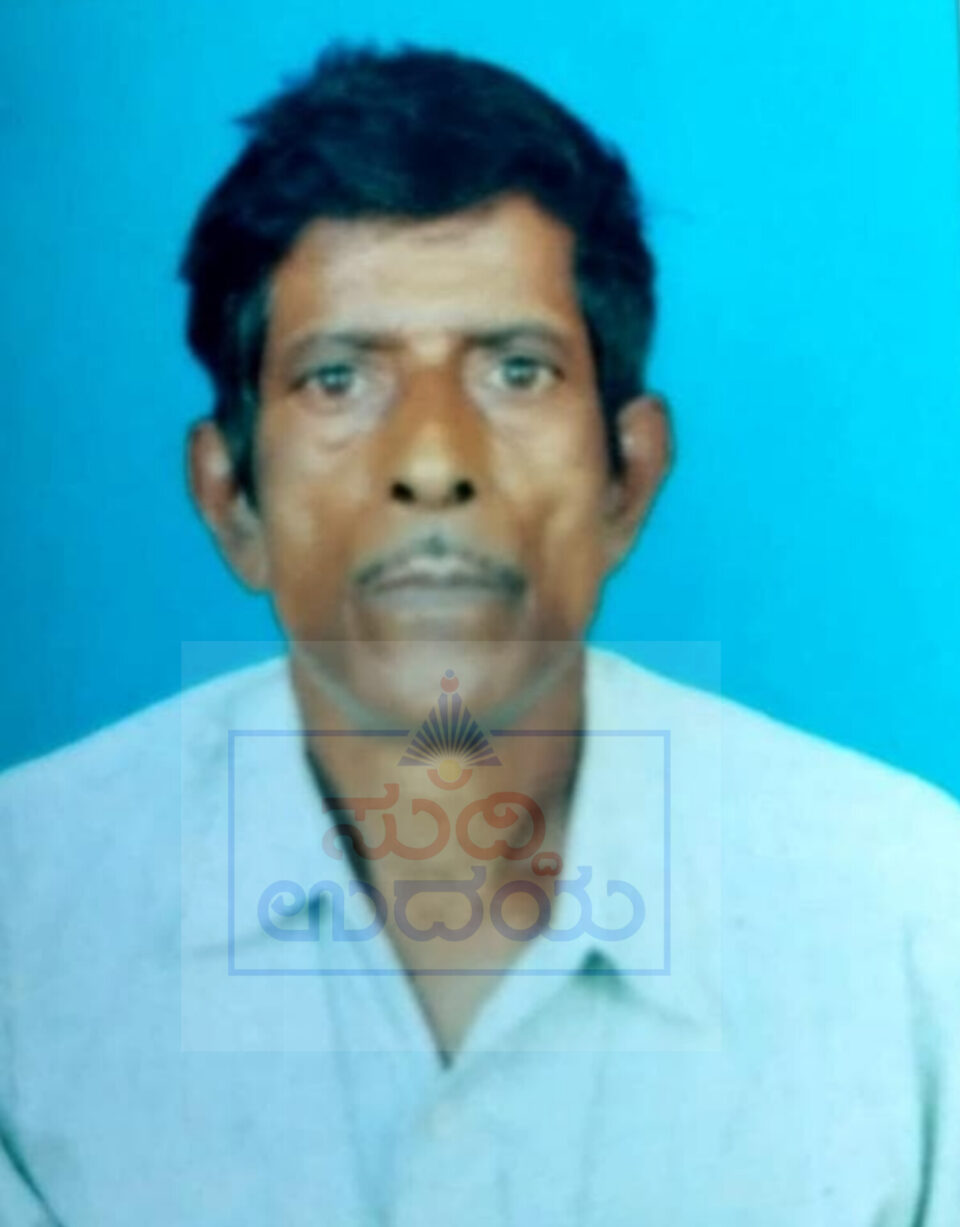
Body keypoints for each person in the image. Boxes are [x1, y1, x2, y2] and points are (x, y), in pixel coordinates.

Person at [1, 41, 957, 1227]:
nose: (434, 462)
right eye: (338, 378)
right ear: (231, 499)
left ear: (628, 478)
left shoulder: (909, 913)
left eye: (516, 370)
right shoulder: (26, 920)